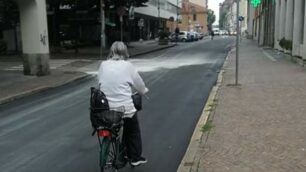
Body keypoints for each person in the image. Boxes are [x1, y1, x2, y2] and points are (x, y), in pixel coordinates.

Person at [97, 41, 149, 166]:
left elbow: (99, 83)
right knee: (133, 129)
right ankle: (135, 158)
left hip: (105, 109)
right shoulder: (127, 66)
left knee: (118, 126)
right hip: (124, 109)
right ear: (125, 52)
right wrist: (143, 91)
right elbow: (139, 84)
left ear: (111, 52)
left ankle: (119, 151)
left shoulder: (103, 65)